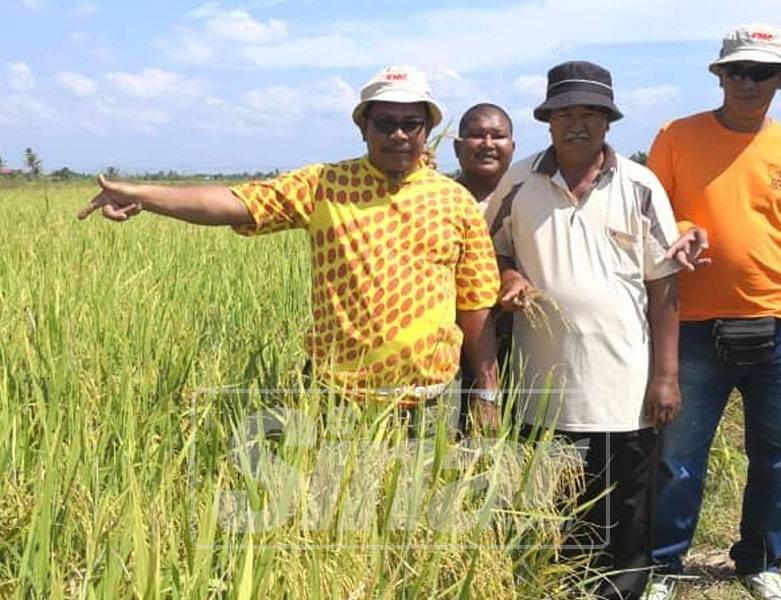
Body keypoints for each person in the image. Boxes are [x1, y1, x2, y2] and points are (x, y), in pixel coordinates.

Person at [77, 65, 501, 431]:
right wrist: (146, 195)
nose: (399, 135)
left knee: (418, 513)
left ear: (427, 130)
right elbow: (234, 203)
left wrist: (487, 393)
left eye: (411, 123)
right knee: (332, 512)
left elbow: (476, 304)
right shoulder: (324, 186)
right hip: (338, 397)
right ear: (362, 127)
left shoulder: (454, 201)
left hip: (430, 401)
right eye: (385, 123)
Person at [488, 61, 682, 599]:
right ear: (547, 120)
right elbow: (488, 248)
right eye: (565, 113)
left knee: (626, 507)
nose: (578, 124)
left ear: (609, 121)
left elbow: (665, 287)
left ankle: (621, 592)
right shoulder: (519, 181)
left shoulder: (640, 184)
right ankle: (559, 588)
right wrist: (508, 272)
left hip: (624, 384)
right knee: (555, 506)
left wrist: (665, 376)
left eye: (591, 113)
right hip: (544, 391)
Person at [645, 24, 781, 600]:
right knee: (679, 457)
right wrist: (684, 230)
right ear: (720, 75)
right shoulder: (675, 136)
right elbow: (651, 216)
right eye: (738, 70)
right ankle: (664, 563)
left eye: (763, 72)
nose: (749, 82)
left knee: (780, 457)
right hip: (691, 323)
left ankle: (761, 561)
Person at [452, 103, 515, 431]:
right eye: (476, 135)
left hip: (520, 347)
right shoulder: (437, 200)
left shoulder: (529, 198)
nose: (488, 144)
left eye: (498, 136)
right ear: (457, 146)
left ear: (512, 147)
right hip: (449, 352)